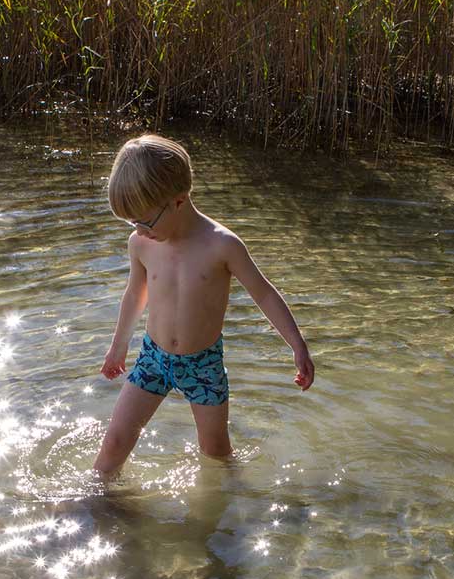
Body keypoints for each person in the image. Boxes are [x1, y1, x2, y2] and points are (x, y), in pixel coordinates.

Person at [93, 134, 313, 479]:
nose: (139, 230)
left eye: (145, 221)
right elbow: (135, 293)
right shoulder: (141, 243)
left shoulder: (221, 245)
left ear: (178, 201)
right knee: (115, 442)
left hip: (203, 364)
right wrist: (118, 346)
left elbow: (264, 294)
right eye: (131, 222)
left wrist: (297, 345)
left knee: (215, 450)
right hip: (153, 358)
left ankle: (229, 509)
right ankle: (97, 506)